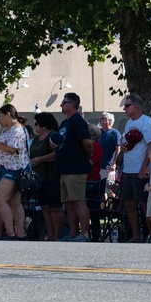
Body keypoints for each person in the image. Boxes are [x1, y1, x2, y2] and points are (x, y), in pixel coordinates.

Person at [0, 105, 30, 240]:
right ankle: (20, 234)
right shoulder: (7, 130)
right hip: (6, 168)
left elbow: (11, 149)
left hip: (14, 169)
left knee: (0, 199)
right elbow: (1, 149)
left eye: (0, 116)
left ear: (8, 114)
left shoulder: (17, 130)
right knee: (14, 202)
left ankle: (10, 233)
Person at [53, 92, 92, 242]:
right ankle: (74, 234)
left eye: (64, 102)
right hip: (64, 169)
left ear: (73, 105)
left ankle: (85, 233)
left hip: (76, 168)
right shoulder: (65, 123)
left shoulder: (78, 121)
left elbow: (87, 143)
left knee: (78, 201)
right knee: (68, 203)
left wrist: (86, 156)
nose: (61, 105)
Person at [117, 94, 151, 243]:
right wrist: (123, 149)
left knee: (144, 202)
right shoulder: (128, 123)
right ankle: (136, 236)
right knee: (129, 203)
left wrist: (144, 167)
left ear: (136, 107)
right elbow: (126, 144)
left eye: (127, 106)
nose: (124, 108)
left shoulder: (147, 122)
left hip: (140, 169)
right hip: (128, 169)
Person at [29, 112, 62, 242]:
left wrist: (41, 159)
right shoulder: (36, 139)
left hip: (53, 176)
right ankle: (50, 234)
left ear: (44, 125)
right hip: (39, 177)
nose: (34, 125)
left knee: (55, 207)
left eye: (36, 123)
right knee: (45, 208)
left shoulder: (53, 135)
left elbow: (58, 153)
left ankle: (57, 235)